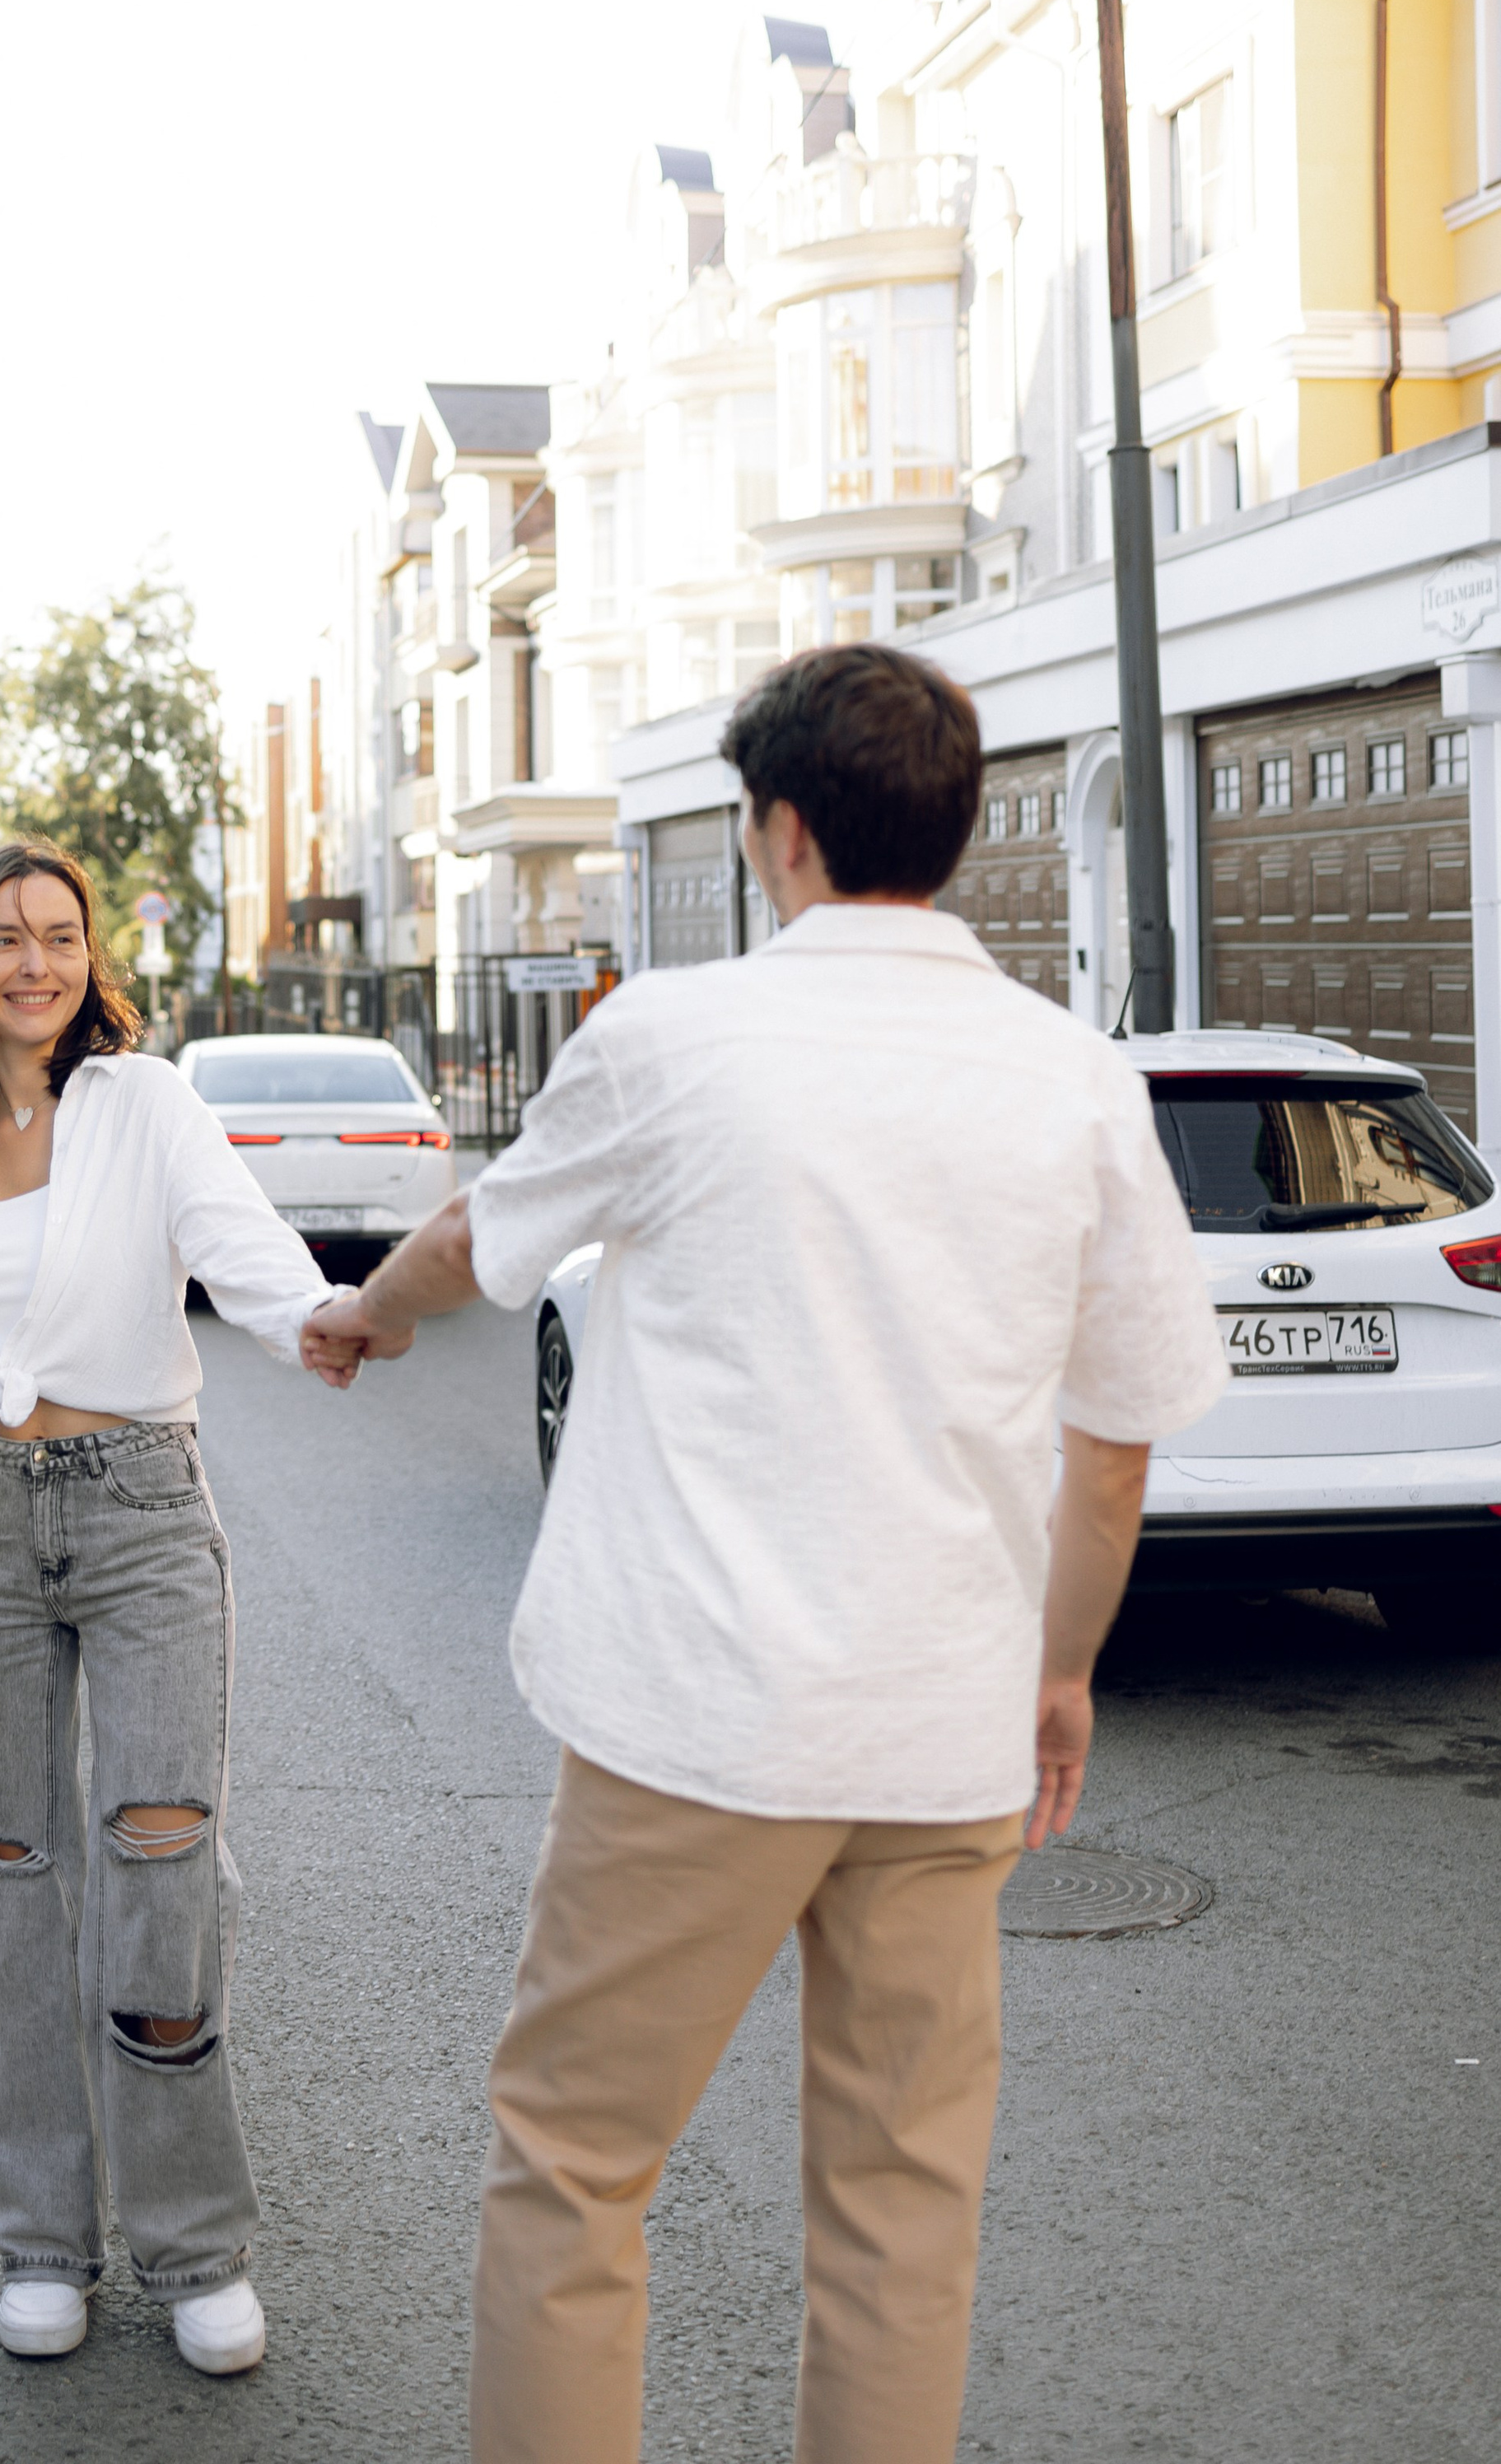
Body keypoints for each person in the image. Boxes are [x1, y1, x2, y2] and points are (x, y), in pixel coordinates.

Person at [310, 645, 1228, 2464]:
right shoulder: (1069, 1080)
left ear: (783, 831)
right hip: (939, 1730)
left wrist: (365, 1316)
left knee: (574, 2164)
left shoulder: (672, 1036)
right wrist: (1057, 1677)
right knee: (898, 2208)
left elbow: (479, 1238)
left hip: (693, 1726)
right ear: (949, 835)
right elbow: (1112, 1446)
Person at [0, 839, 363, 2378]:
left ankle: (192, 2245)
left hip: (137, 1515)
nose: (35, 962)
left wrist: (314, 1313)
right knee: (2, 1881)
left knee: (159, 1867)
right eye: (6, 939)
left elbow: (237, 1244)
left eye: (60, 936)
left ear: (88, 960)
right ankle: (43, 2240)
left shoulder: (146, 1104)